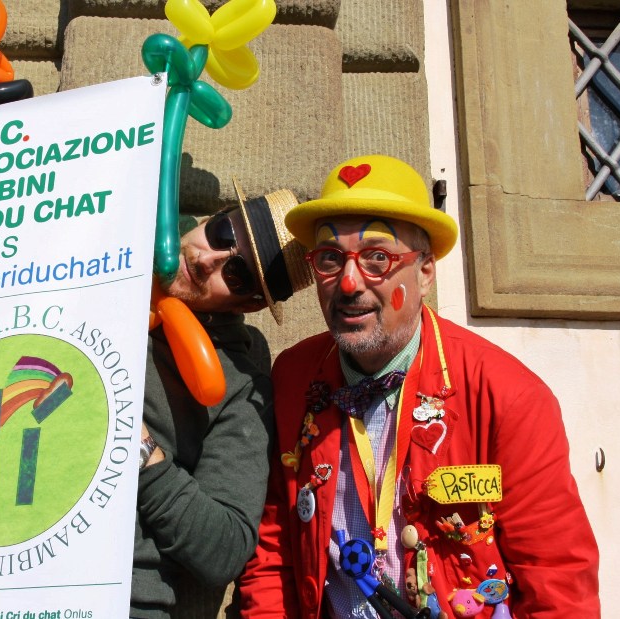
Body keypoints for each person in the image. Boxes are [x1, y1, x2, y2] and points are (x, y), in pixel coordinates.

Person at [238, 155, 599, 619]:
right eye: (330, 258)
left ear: (425, 272)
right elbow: (275, 552)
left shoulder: (509, 397)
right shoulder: (294, 376)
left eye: (377, 258)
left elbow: (558, 582)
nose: (348, 283)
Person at [132, 182, 314, 618]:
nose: (206, 260)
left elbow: (225, 548)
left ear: (250, 305)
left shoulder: (243, 387)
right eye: (221, 233)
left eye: (236, 274)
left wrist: (138, 448)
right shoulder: (105, 257)